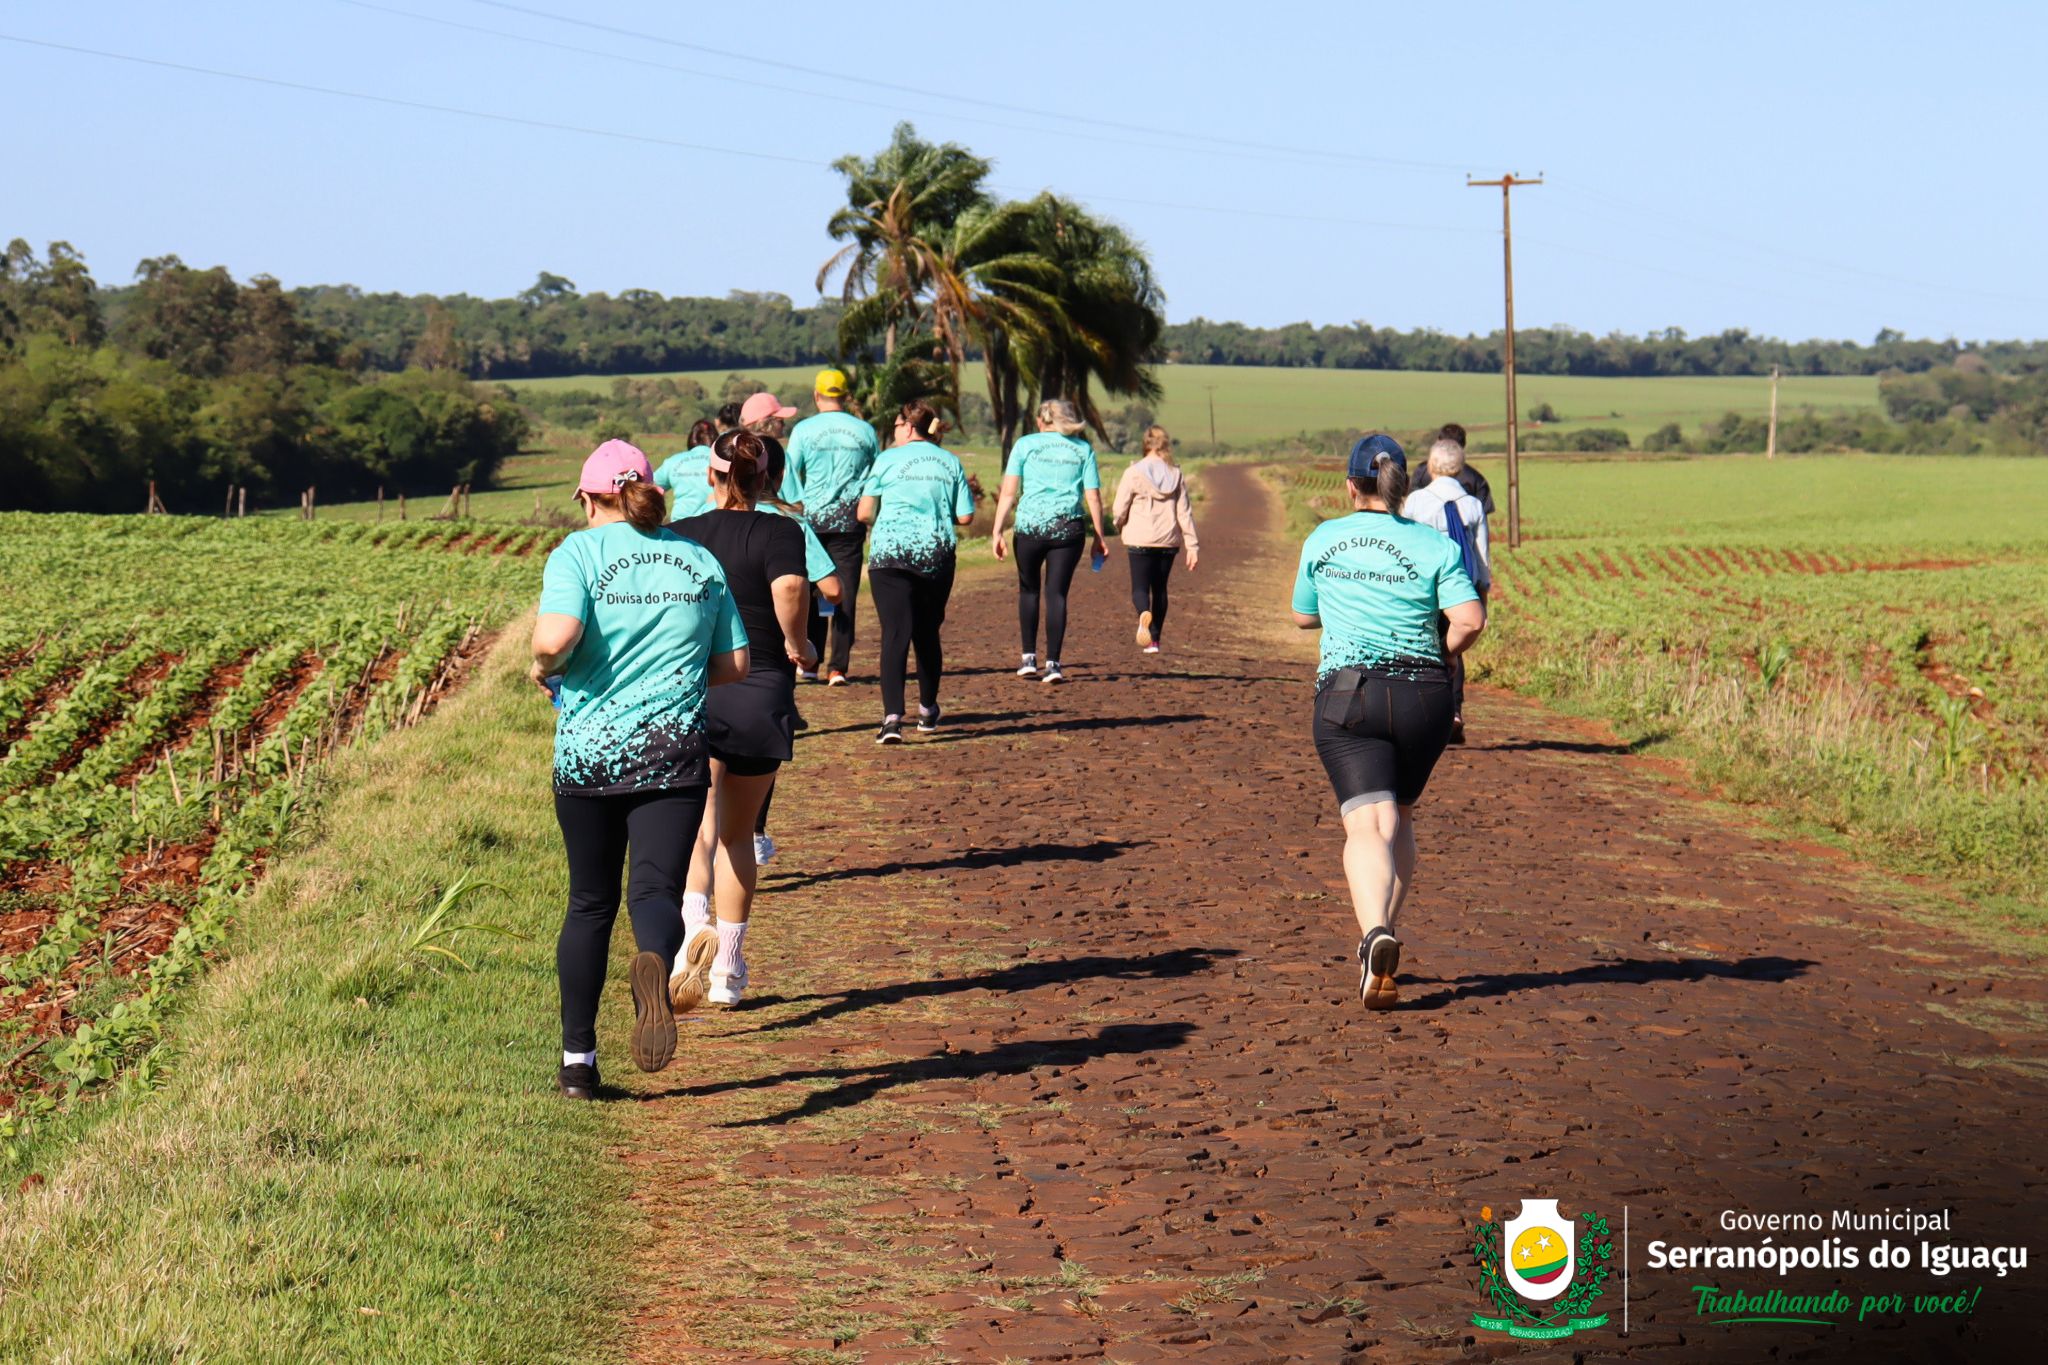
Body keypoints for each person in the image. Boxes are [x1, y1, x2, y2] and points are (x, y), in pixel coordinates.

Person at [532, 439, 750, 1098]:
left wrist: (542, 668)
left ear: (589, 499)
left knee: (589, 902)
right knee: (654, 892)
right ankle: (655, 959)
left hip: (590, 757)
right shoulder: (698, 560)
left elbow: (554, 637)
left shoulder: (578, 553)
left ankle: (578, 1063)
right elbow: (735, 665)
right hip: (675, 756)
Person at [1291, 434, 1484, 1011]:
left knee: (1365, 826)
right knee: (1397, 817)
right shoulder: (1433, 545)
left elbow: (1303, 616)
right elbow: (1469, 620)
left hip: (1350, 694)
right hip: (1425, 696)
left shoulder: (1325, 536)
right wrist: (1443, 652)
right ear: (1405, 485)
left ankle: (1375, 933)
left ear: (1351, 485)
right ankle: (1379, 943)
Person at [664, 431, 814, 1011]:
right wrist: (797, 644)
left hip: (694, 688)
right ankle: (727, 967)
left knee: (697, 825)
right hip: (758, 687)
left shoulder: (685, 534)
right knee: (737, 834)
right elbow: (792, 586)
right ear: (768, 478)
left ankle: (687, 936)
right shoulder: (781, 531)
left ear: (711, 475)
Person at [748, 432, 844, 867]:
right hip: (772, 656)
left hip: (710, 655)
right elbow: (833, 588)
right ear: (779, 475)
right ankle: (754, 831)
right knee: (762, 751)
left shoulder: (702, 517)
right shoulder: (791, 524)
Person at [857, 400, 975, 743]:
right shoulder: (950, 461)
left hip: (890, 555)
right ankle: (927, 710)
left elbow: (865, 513)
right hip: (936, 554)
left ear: (908, 427)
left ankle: (892, 719)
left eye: (895, 426)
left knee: (895, 634)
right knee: (926, 633)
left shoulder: (886, 459)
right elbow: (965, 516)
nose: (893, 433)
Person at [989, 399, 1108, 684]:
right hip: (1068, 529)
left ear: (1041, 421)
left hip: (1029, 527)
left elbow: (1008, 493)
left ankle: (1028, 658)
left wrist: (997, 530)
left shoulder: (1025, 445)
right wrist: (1099, 537)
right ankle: (1053, 664)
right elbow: (1093, 496)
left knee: (1028, 591)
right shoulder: (1083, 449)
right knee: (1057, 594)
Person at [780, 368, 880, 687]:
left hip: (810, 521)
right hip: (850, 522)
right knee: (844, 592)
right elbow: (875, 476)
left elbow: (790, 473)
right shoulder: (865, 431)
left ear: (816, 395)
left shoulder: (804, 430)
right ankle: (838, 667)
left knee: (810, 590)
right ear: (846, 396)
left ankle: (809, 663)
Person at [1402, 438, 1493, 744]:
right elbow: (1481, 558)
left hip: (1421, 586)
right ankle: (1453, 711)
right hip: (1460, 587)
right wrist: (1482, 597)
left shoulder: (1415, 502)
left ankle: (1418, 714)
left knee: (1419, 645)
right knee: (1453, 650)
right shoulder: (1472, 505)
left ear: (1430, 466)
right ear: (1460, 467)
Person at [1112, 424, 1200, 654]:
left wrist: (1118, 524)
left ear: (1145, 445)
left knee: (1140, 588)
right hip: (1167, 539)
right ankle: (1155, 641)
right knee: (1160, 589)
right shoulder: (1176, 474)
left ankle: (1143, 612)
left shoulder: (1133, 472)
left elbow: (1119, 507)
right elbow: (1184, 512)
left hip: (1139, 538)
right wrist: (1192, 545)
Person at [1409, 423, 1495, 513]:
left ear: (1438, 442)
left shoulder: (1422, 471)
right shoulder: (1476, 479)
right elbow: (1482, 514)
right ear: (1464, 445)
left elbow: (1412, 505)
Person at [653, 418, 721, 520]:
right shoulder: (722, 462)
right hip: (715, 522)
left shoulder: (673, 462)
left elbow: (649, 487)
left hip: (679, 526)